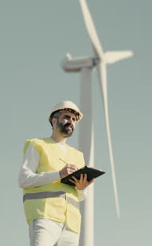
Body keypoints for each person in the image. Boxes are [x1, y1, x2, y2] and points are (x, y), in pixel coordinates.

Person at [18, 100, 95, 246]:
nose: (71, 122)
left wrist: (81, 188)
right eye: (66, 117)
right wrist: (58, 174)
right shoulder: (38, 145)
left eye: (73, 119)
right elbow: (23, 179)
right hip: (45, 216)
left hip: (71, 225)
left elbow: (81, 196)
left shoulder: (78, 155)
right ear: (54, 121)